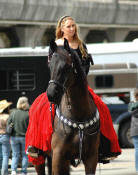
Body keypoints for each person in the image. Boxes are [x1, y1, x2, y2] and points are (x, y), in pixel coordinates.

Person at [26, 16, 121, 165]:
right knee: (38, 108)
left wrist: (79, 77)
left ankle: (104, 148)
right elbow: (53, 67)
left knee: (102, 108)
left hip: (80, 85)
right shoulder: (56, 45)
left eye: (73, 26)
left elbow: (86, 66)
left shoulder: (81, 45)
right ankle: (36, 146)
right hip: (60, 84)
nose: (72, 29)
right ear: (61, 29)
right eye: (68, 26)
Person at [7, 97, 29, 175]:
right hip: (25, 137)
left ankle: (13, 171)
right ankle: (24, 171)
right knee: (25, 155)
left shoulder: (13, 113)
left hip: (14, 137)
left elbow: (8, 124)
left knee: (15, 154)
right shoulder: (28, 114)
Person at [0, 99, 12, 175]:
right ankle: (4, 172)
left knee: (0, 156)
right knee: (5, 155)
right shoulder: (7, 116)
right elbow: (9, 128)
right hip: (5, 136)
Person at [128, 88, 138, 175]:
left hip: (134, 130)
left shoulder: (131, 105)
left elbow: (130, 110)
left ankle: (137, 168)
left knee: (137, 149)